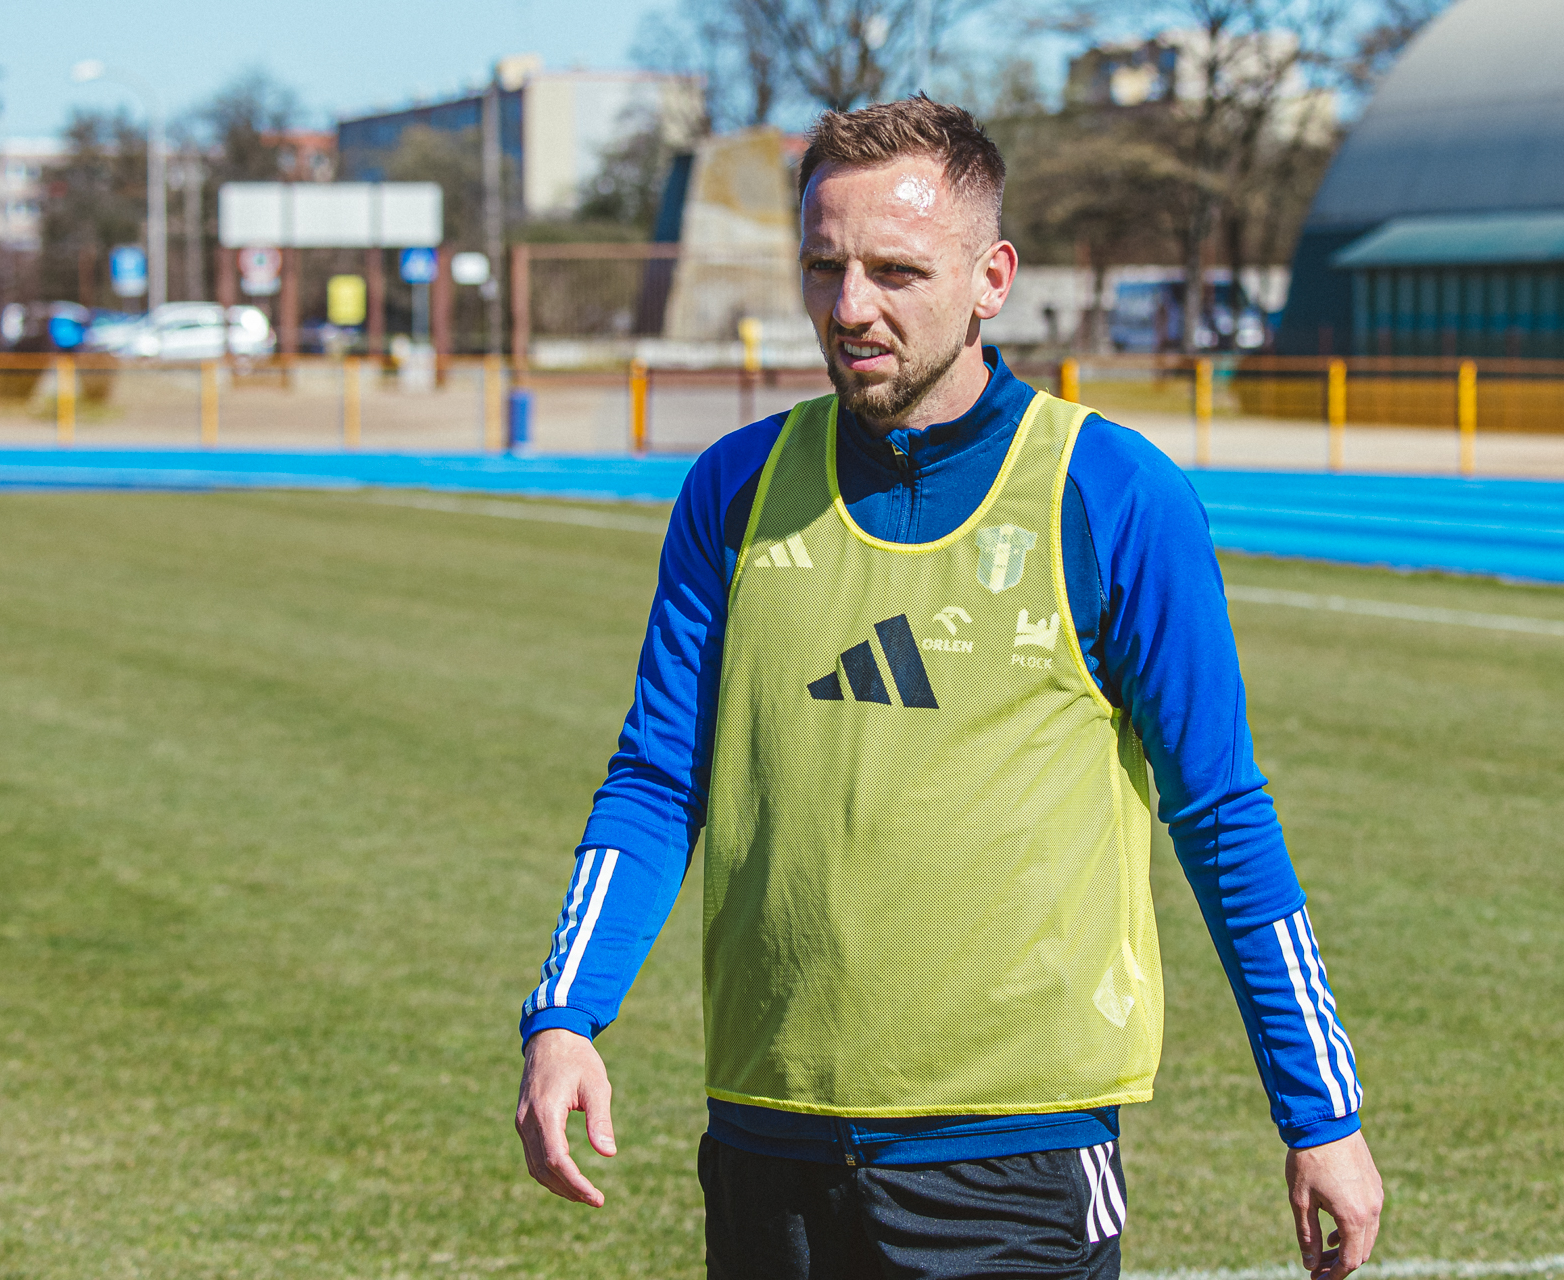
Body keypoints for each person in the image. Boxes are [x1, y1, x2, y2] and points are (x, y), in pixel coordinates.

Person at [515, 96, 1384, 1279]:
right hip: (769, 1137)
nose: (849, 306)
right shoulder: (734, 490)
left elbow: (1221, 813)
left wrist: (1321, 1110)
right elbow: (660, 778)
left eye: (895, 271)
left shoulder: (1112, 494)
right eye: (824, 266)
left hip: (1015, 1156)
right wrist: (566, 1014)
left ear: (992, 279)